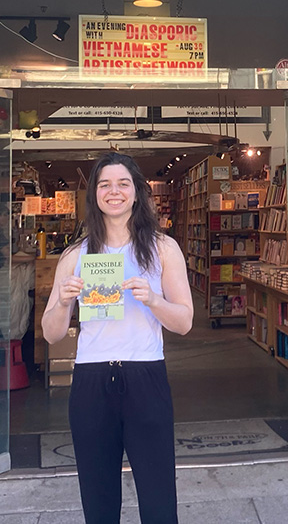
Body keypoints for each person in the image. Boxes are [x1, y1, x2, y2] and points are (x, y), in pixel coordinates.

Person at [42, 152, 193, 524]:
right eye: (105, 184)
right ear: (94, 194)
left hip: (146, 376)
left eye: (123, 183)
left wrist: (153, 299)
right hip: (92, 380)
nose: (114, 192)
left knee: (159, 497)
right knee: (98, 499)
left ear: (137, 192)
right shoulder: (75, 254)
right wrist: (62, 302)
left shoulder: (163, 248)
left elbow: (185, 322)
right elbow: (51, 332)